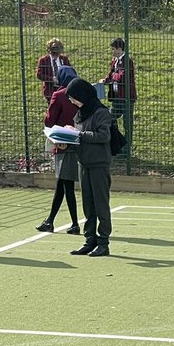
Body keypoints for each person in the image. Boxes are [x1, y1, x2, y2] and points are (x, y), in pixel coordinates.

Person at [66, 77, 112, 258]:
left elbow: (104, 136)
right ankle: (89, 240)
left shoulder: (101, 112)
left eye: (73, 97)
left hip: (99, 164)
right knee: (87, 204)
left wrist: (79, 134)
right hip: (83, 163)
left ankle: (103, 243)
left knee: (101, 204)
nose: (72, 101)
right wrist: (65, 139)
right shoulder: (79, 114)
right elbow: (78, 138)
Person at [37, 64, 81, 235]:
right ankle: (51, 220)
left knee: (64, 184)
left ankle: (73, 223)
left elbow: (49, 121)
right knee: (63, 184)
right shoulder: (80, 93)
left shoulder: (59, 94)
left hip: (62, 142)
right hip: (78, 141)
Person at [100, 38, 136, 120]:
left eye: (113, 49)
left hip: (126, 96)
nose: (111, 51)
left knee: (127, 120)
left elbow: (122, 77)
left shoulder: (127, 61)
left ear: (119, 49)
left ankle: (127, 129)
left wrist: (113, 76)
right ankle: (114, 129)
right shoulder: (114, 60)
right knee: (110, 118)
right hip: (116, 96)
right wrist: (106, 80)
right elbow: (111, 73)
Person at [36, 39, 71, 103]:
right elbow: (39, 74)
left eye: (57, 51)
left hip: (63, 89)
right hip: (50, 89)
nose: (55, 54)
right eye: (53, 51)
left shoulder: (64, 59)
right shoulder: (43, 60)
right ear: (49, 50)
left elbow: (70, 72)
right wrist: (52, 79)